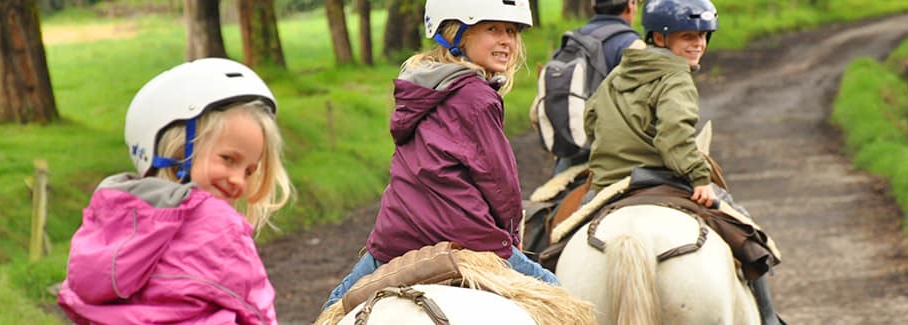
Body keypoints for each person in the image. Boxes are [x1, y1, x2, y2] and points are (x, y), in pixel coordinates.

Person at [322, 0, 557, 310]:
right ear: (456, 32)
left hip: (396, 238)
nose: (506, 40)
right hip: (469, 240)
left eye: (512, 31)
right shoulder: (478, 97)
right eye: (492, 29)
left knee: (336, 307)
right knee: (559, 296)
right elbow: (500, 183)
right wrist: (510, 236)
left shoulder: (416, 92)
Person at [583, 0, 784, 324]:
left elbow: (590, 120)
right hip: (660, 179)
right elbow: (673, 135)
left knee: (557, 242)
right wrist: (700, 177)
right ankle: (769, 317)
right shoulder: (675, 76)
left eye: (703, 36)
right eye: (687, 36)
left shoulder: (618, 74)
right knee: (748, 235)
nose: (699, 44)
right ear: (660, 39)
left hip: (608, 185)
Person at [57, 58, 291, 325]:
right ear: (178, 148)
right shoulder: (219, 225)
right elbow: (258, 311)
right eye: (228, 159)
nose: (238, 180)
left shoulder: (109, 219)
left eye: (249, 171)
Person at [550, 0, 645, 172]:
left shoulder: (571, 41)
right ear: (630, 5)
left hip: (569, 158)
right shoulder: (633, 45)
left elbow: (538, 111)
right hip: (616, 162)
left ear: (594, 5)